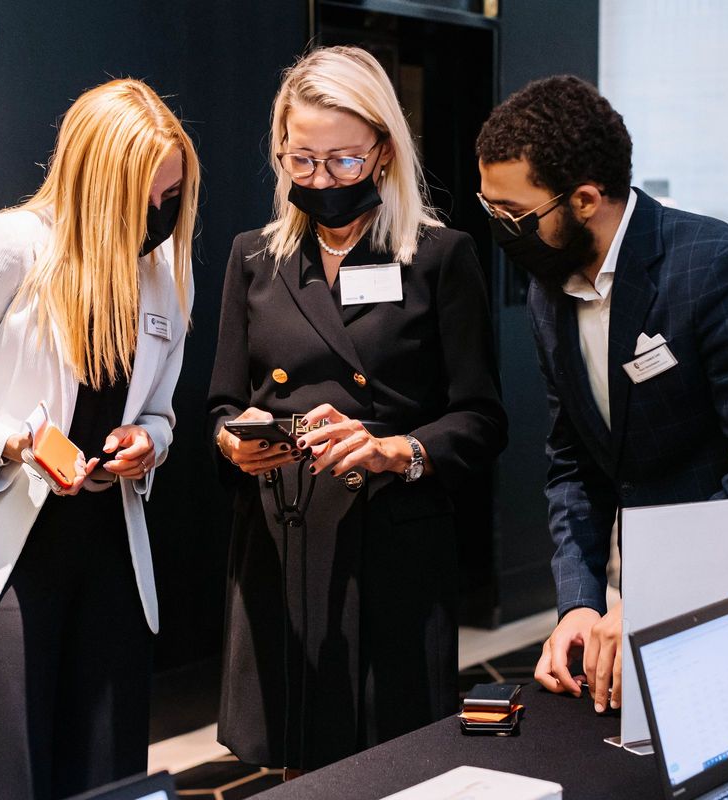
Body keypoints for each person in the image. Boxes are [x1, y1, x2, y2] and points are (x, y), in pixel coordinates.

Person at [475, 76, 728, 713]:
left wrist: (658, 594)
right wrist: (580, 602)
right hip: (648, 607)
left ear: (584, 200)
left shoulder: (719, 267)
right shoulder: (549, 291)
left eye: (514, 215)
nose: (501, 229)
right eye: (490, 209)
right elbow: (574, 463)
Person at [0, 78, 198, 798]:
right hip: (5, 567)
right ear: (96, 183)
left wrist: (148, 442)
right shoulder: (9, 248)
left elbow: (161, 413)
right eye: (145, 199)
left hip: (111, 561)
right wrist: (10, 445)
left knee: (107, 777)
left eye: (173, 197)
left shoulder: (161, 278)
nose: (160, 216)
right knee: (3, 777)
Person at [207, 46, 508, 776]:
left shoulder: (438, 257)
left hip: (392, 539)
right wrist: (231, 441)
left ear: (383, 151)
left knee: (392, 758)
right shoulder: (254, 258)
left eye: (343, 162)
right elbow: (223, 400)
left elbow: (481, 418)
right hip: (284, 533)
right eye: (302, 161)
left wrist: (394, 450)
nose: (321, 180)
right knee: (298, 760)